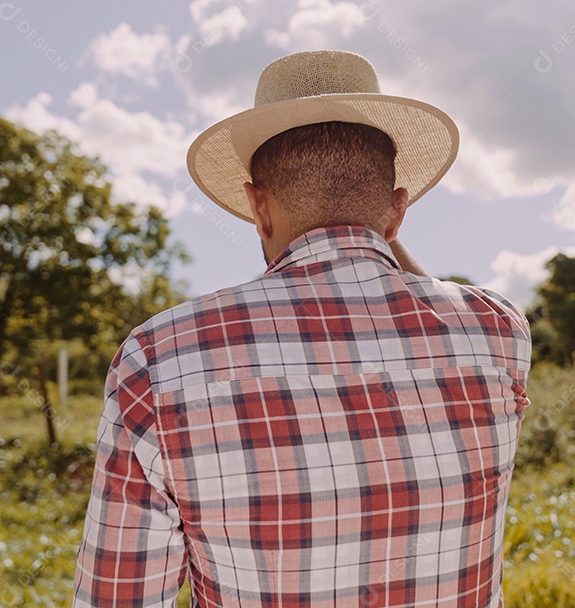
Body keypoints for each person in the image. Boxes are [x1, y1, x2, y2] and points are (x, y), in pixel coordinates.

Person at [73, 49, 531, 607]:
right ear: (397, 211)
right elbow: (428, 313)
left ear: (257, 208)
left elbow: (118, 599)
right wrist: (379, 232)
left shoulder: (157, 360)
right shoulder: (496, 334)